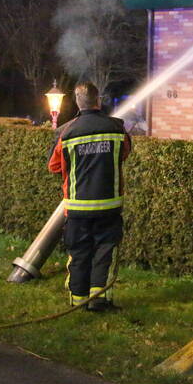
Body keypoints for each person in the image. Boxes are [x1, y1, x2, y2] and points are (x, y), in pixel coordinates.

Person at [48, 83, 131, 312]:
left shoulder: (67, 132)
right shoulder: (116, 128)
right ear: (99, 100)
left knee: (79, 252)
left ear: (77, 103)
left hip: (77, 208)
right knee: (105, 250)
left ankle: (77, 300)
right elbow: (124, 153)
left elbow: (54, 166)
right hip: (109, 206)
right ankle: (99, 300)